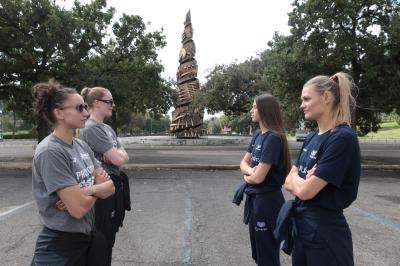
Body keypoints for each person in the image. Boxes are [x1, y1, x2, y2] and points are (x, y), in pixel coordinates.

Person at [31, 81, 115, 265]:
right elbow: (78, 210)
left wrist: (85, 191)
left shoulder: (81, 145)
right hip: (59, 247)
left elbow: (110, 187)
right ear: (59, 113)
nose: (86, 113)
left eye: (85, 107)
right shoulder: (50, 151)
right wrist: (95, 186)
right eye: (79, 108)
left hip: (85, 238)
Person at [283, 72, 361, 266]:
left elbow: (305, 191)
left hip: (326, 233)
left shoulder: (342, 138)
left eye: (306, 99)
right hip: (302, 228)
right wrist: (303, 181)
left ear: (326, 97)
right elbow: (288, 179)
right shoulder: (311, 137)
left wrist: (301, 183)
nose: (302, 105)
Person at [233, 93, 292, 266]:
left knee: (267, 255)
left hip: (267, 202)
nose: (251, 111)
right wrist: (251, 172)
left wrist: (250, 175)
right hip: (255, 200)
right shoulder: (259, 135)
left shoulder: (273, 138)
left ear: (265, 110)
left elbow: (259, 178)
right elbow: (243, 163)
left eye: (254, 107)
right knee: (259, 253)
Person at [80, 86, 131, 266]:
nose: (113, 105)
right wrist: (117, 155)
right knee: (101, 240)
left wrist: (116, 155)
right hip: (102, 191)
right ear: (96, 103)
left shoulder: (107, 128)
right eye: (109, 102)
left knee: (110, 236)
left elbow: (123, 156)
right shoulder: (91, 128)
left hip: (113, 186)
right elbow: (118, 158)